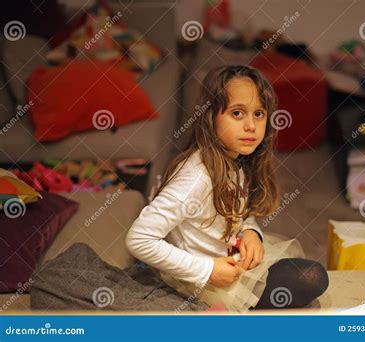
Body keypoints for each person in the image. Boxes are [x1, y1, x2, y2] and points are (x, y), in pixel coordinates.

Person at [126, 65, 328, 311]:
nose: (251, 126)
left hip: (231, 260)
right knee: (312, 277)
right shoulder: (196, 177)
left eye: (259, 114)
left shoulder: (236, 160)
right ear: (210, 116)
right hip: (204, 279)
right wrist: (208, 270)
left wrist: (252, 233)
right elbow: (139, 238)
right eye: (237, 113)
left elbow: (238, 212)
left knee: (306, 275)